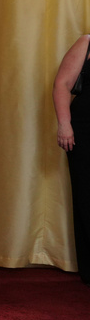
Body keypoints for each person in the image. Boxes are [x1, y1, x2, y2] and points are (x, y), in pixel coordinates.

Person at [54, 34, 90, 285]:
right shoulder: (87, 42)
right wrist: (64, 124)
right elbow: (62, 84)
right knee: (87, 198)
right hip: (86, 130)